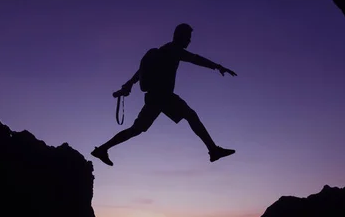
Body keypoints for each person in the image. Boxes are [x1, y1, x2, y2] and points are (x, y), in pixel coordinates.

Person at [91, 23, 238, 166]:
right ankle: (213, 151)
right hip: (163, 96)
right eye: (188, 37)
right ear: (179, 36)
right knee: (190, 115)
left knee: (136, 129)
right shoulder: (174, 50)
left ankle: (103, 149)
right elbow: (196, 59)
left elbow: (139, 73)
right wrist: (217, 66)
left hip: (155, 97)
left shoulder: (162, 51)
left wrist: (128, 85)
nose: (189, 41)